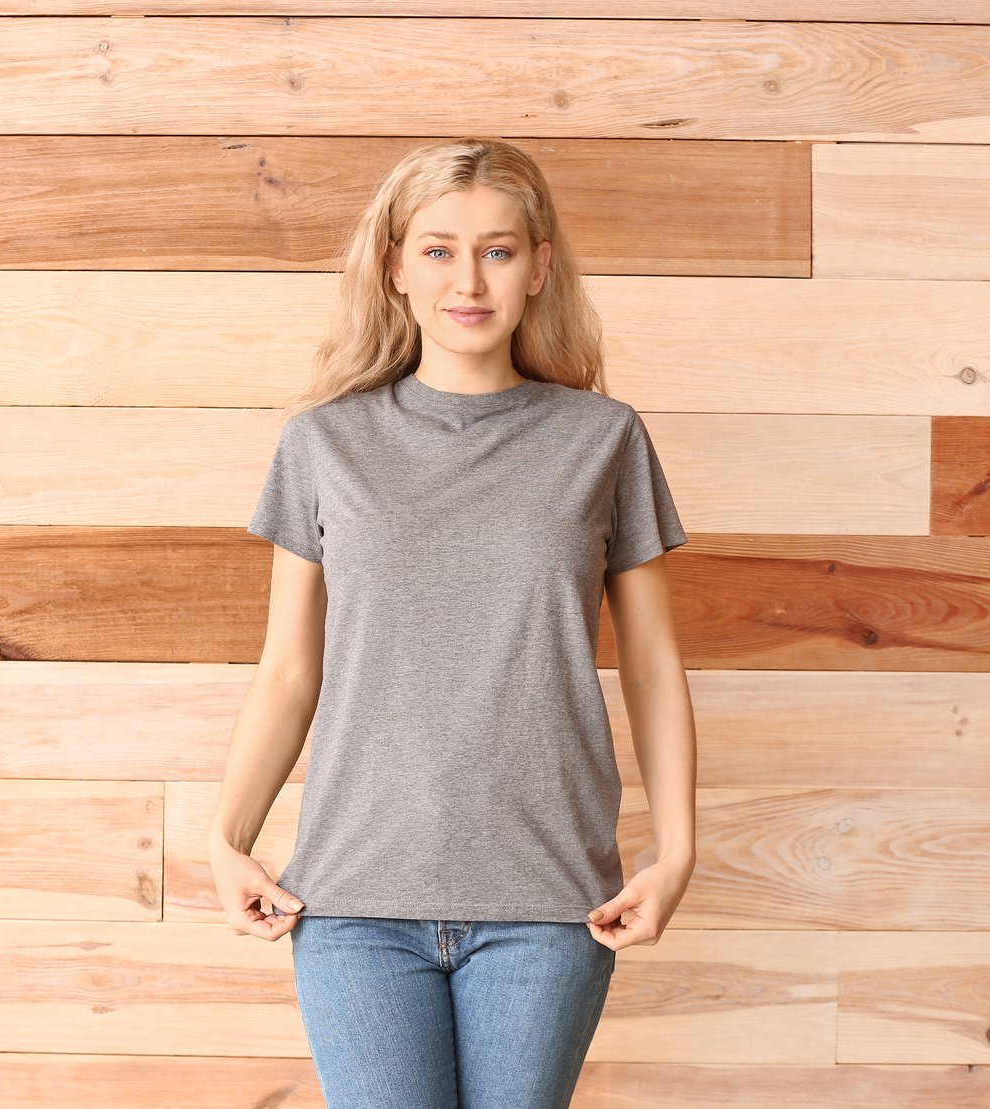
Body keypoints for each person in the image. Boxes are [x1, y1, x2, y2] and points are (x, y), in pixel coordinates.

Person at [205, 137, 698, 1109]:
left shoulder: (600, 438)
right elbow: (287, 671)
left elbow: (648, 660)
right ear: (391, 265)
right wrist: (226, 836)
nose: (466, 279)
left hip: (548, 899)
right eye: (435, 249)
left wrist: (674, 848)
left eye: (497, 250)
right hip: (351, 898)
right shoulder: (322, 442)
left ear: (538, 265)